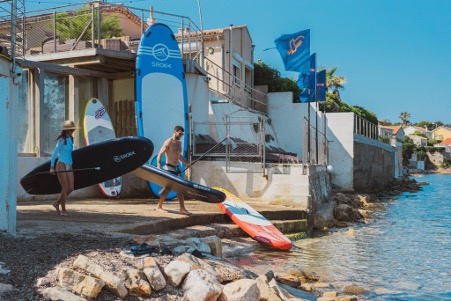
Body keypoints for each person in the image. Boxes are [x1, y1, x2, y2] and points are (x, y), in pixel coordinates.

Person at [156, 125, 192, 215]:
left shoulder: (179, 144)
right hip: (168, 168)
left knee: (179, 188)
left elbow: (179, 156)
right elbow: (160, 153)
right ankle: (159, 206)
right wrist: (158, 166)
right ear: (175, 132)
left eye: (182, 134)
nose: (181, 135)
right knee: (169, 188)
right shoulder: (168, 142)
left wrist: (186, 163)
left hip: (176, 168)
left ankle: (182, 209)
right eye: (180, 133)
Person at [50, 120, 77, 216]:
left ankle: (57, 203)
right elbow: (54, 153)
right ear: (66, 130)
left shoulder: (71, 139)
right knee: (65, 188)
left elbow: (70, 153)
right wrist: (52, 167)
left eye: (73, 130)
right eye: (70, 130)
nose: (72, 132)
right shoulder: (62, 139)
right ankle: (63, 210)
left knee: (71, 188)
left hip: (69, 165)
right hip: (61, 164)